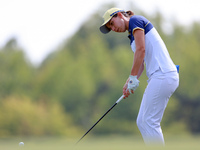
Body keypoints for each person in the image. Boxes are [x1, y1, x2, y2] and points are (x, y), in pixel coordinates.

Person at [99, 8, 179, 145]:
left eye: (112, 23)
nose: (113, 28)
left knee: (148, 121)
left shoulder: (135, 21)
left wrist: (133, 77)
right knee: (142, 121)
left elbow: (141, 50)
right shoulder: (131, 36)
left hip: (163, 74)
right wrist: (129, 81)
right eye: (110, 27)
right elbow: (141, 62)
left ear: (119, 15)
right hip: (160, 76)